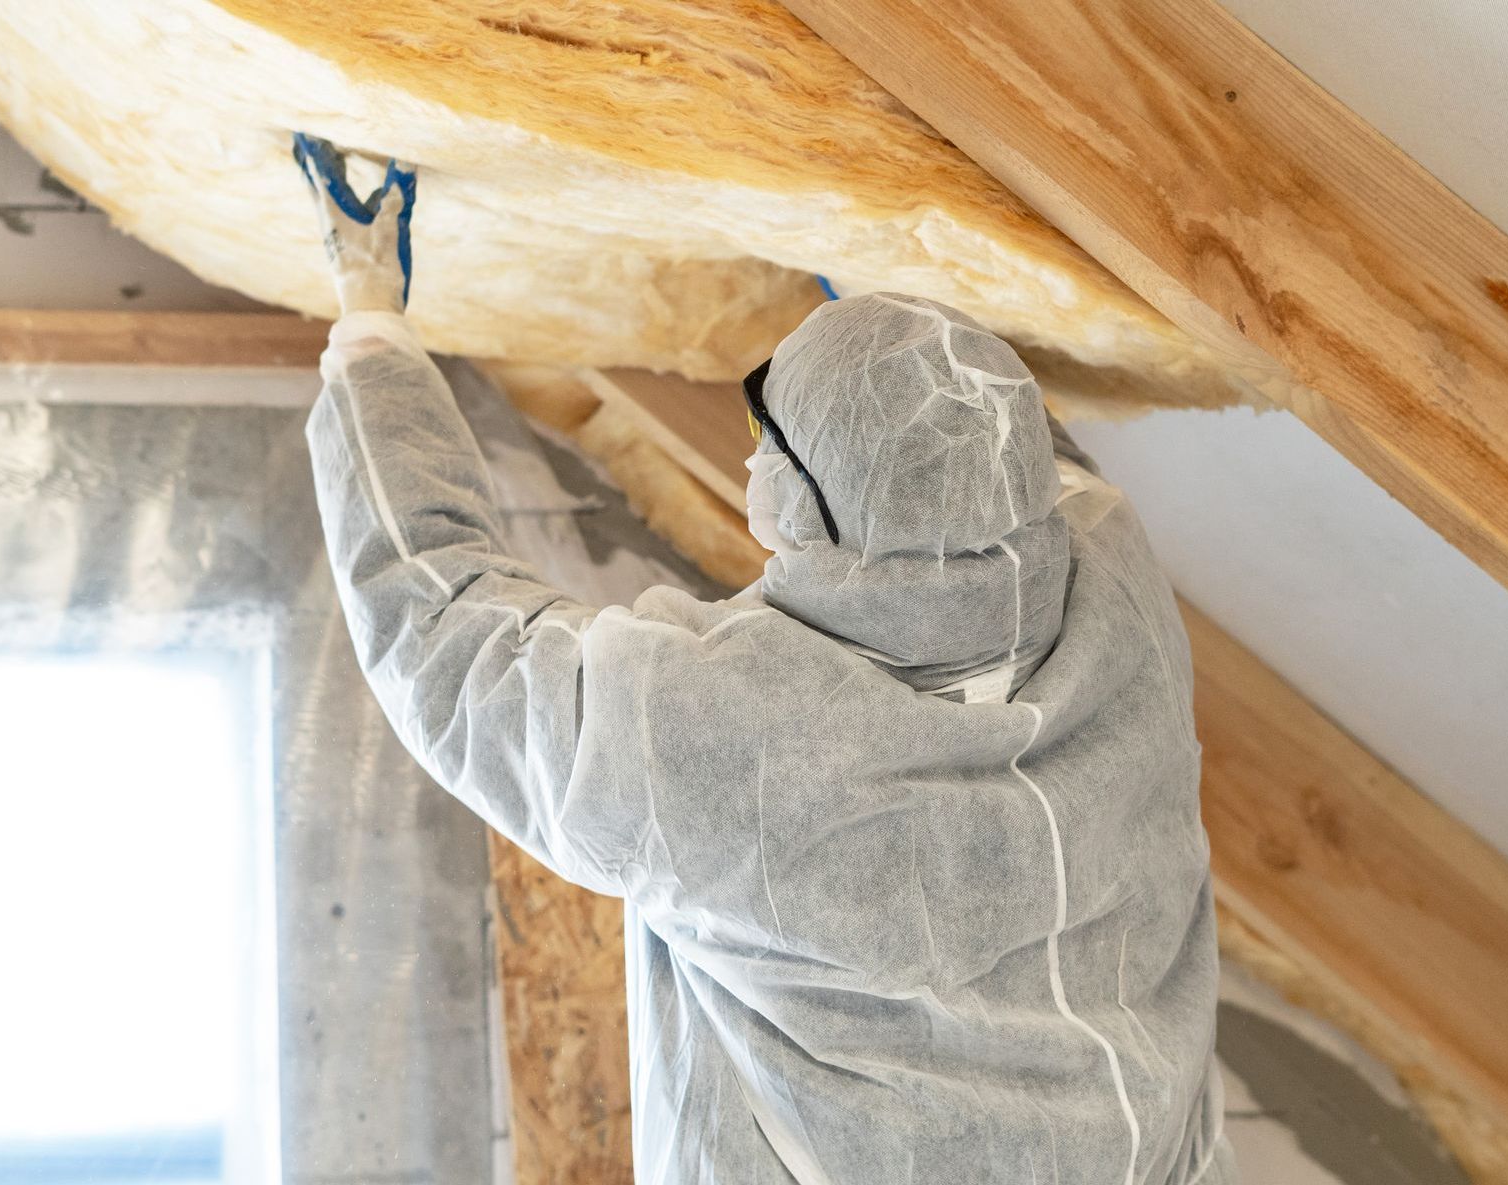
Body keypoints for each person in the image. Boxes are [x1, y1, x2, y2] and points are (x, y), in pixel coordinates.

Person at [294, 134, 1234, 1185]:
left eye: (765, 432)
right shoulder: (1116, 585)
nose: (746, 452)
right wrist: (898, 347)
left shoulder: (717, 739)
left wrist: (369, 323)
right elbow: (1012, 469)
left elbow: (439, 627)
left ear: (796, 499)